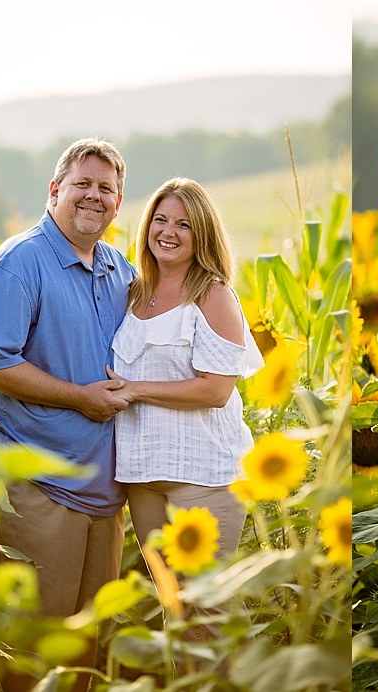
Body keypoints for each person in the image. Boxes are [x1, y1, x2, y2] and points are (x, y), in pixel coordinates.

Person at [0, 137, 134, 692]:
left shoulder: (119, 268)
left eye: (105, 188)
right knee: (34, 647)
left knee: (87, 645)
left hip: (103, 487)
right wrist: (80, 397)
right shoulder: (20, 262)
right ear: (54, 189)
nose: (93, 196)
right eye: (82, 184)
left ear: (118, 201)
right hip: (38, 480)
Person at [106, 177, 263, 632]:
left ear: (202, 235)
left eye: (183, 224)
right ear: (147, 226)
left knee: (209, 617)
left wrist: (135, 388)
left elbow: (216, 389)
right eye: (160, 219)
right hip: (143, 476)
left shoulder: (212, 294)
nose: (168, 231)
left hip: (205, 477)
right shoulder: (135, 294)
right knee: (175, 614)